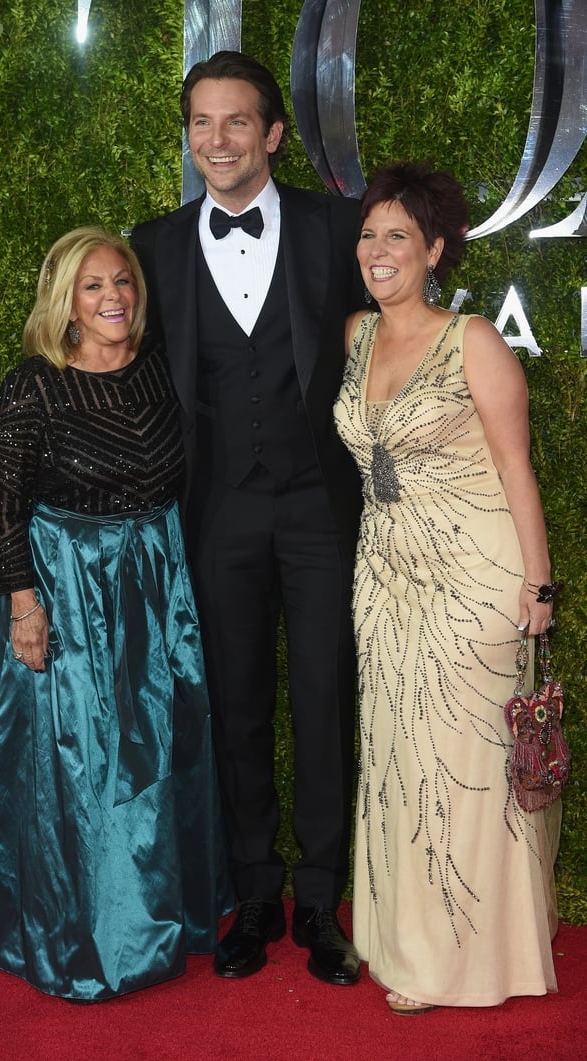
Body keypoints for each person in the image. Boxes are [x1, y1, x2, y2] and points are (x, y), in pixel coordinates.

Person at [0, 226, 231, 1001]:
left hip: (153, 585)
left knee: (158, 749)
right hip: (68, 589)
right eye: (94, 287)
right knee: (83, 762)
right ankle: (90, 935)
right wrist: (23, 606)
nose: (114, 298)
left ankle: (157, 912)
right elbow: (1, 503)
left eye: (123, 283)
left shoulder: (157, 369)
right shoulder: (34, 383)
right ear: (66, 303)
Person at [131, 51, 365, 985]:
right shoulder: (153, 244)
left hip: (319, 507)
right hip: (215, 509)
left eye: (237, 122)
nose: (216, 140)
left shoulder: (337, 226)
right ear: (188, 136)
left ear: (272, 133)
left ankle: (320, 901)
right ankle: (254, 892)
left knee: (321, 699)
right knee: (234, 705)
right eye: (201, 123)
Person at [334, 161, 560, 1012]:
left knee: (462, 767)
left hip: (475, 579)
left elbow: (516, 468)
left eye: (398, 236)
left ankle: (460, 960)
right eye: (369, 234)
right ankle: (405, 941)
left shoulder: (474, 341)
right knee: (397, 759)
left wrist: (539, 591)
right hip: (384, 579)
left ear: (435, 250)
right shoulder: (356, 334)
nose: (378, 250)